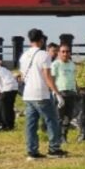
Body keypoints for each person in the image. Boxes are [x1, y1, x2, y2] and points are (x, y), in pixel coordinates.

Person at [19, 29, 66, 160]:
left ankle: (32, 151)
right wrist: (57, 93)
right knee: (52, 121)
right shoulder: (44, 55)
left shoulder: (24, 55)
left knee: (31, 124)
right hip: (41, 93)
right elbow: (47, 76)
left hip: (28, 94)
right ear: (42, 40)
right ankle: (54, 149)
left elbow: (22, 76)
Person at [50, 44, 79, 140]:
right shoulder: (55, 64)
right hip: (60, 93)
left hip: (71, 92)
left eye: (67, 51)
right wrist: (56, 94)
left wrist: (77, 90)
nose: (65, 54)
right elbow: (52, 80)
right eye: (63, 51)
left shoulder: (72, 64)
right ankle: (56, 136)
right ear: (59, 53)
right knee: (59, 117)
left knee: (68, 116)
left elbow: (73, 79)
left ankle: (64, 135)